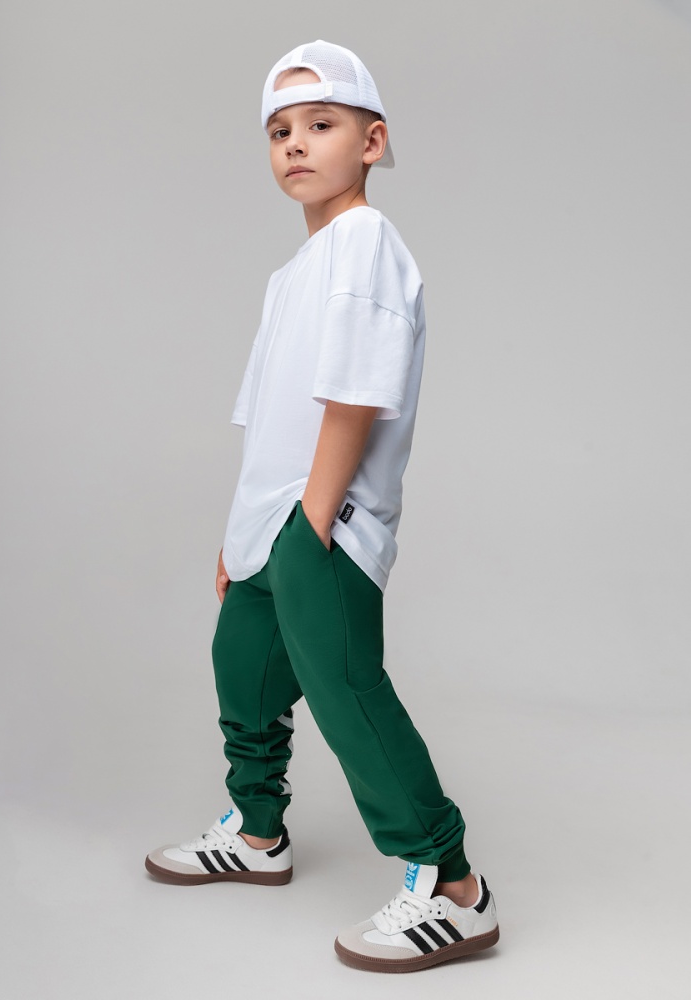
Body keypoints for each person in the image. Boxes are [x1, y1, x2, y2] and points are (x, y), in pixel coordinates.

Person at [145, 39, 499, 973]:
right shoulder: (292, 272)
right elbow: (269, 417)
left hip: (324, 527)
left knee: (347, 696)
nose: (296, 144)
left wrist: (313, 520)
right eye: (279, 132)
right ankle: (258, 834)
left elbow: (354, 393)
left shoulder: (366, 241)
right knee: (243, 673)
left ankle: (454, 887)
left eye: (321, 124)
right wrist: (240, 533)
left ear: (371, 142)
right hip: (271, 525)